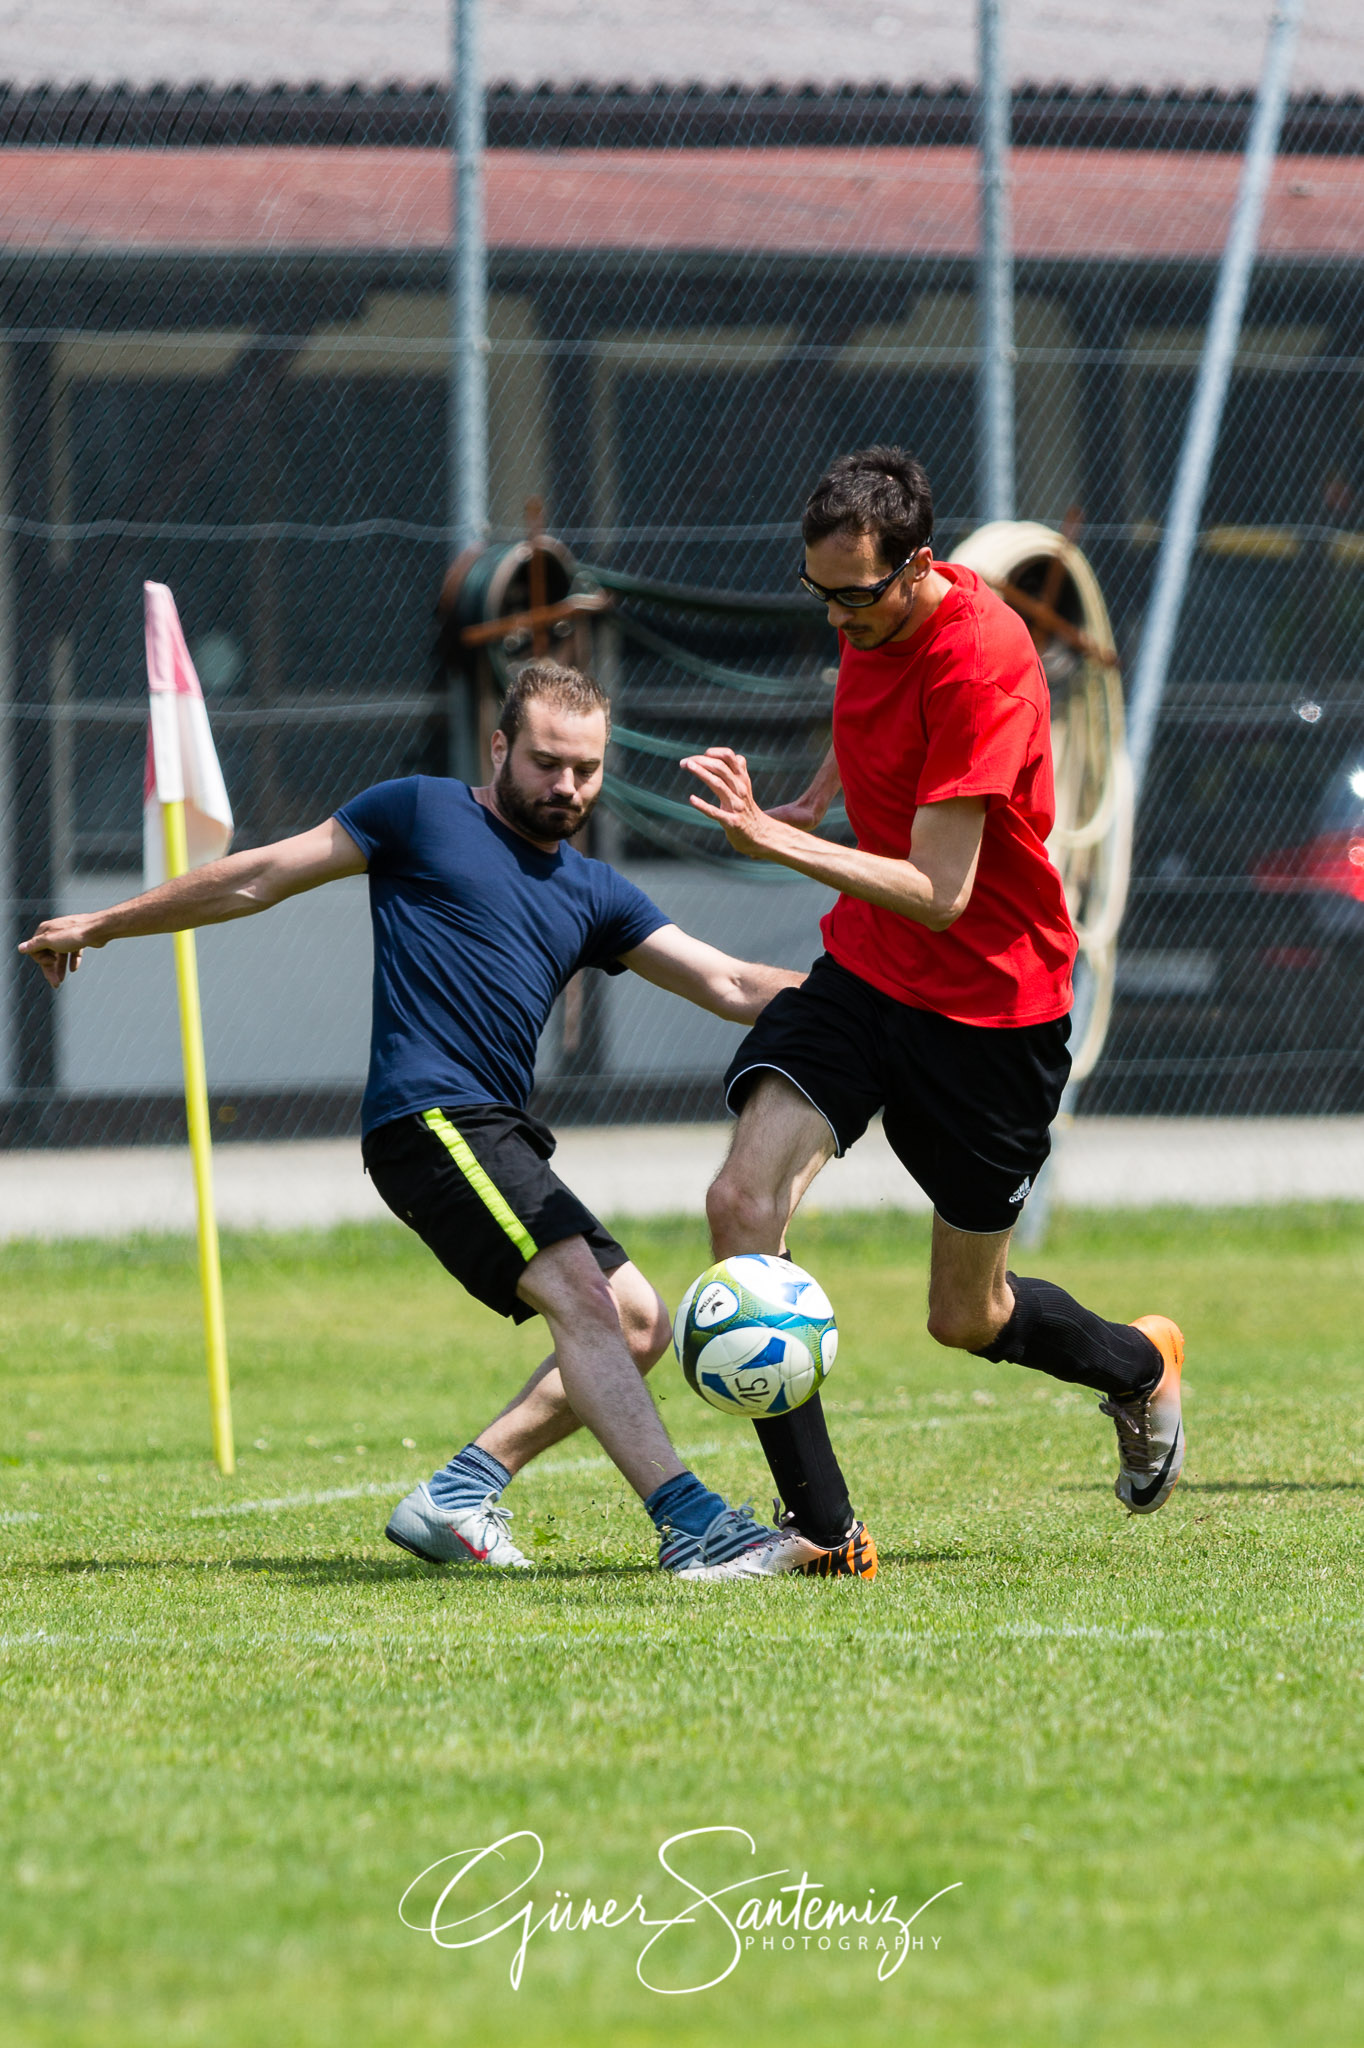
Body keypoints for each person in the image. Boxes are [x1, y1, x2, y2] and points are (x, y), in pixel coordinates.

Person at [20, 659, 833, 1581]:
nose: (567, 786)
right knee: (590, 1301)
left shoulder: (596, 891)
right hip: (431, 1115)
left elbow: (729, 983)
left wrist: (865, 1005)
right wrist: (105, 922)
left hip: (494, 1129)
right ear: (499, 746)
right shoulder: (418, 811)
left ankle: (457, 1495)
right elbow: (257, 877)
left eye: (587, 769)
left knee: (641, 1321)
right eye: (546, 762)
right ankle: (694, 1527)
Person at [683, 446, 1185, 1576]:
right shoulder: (871, 616)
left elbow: (945, 894)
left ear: (916, 569)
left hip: (988, 1008)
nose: (834, 621)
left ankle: (1136, 1370)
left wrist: (778, 837)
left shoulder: (982, 660)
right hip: (866, 973)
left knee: (967, 1314)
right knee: (739, 1200)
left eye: (854, 597)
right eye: (817, 596)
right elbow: (865, 699)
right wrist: (821, 789)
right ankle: (819, 1526)